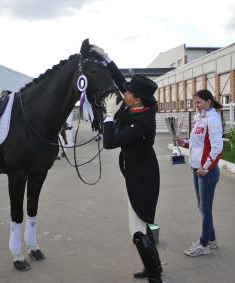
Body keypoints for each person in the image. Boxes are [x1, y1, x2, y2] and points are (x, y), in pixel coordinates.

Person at [90, 44, 165, 283]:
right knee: (144, 225)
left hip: (142, 177)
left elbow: (109, 142)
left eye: (129, 93)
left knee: (137, 229)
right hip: (141, 172)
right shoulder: (142, 106)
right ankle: (153, 267)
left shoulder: (141, 122)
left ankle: (155, 276)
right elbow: (122, 82)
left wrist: (110, 116)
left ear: (137, 98)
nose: (124, 94)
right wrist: (107, 58)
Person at [175, 89, 223, 257]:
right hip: (197, 169)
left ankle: (203, 244)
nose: (196, 106)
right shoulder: (199, 118)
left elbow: (217, 148)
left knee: (205, 208)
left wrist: (206, 167)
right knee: (202, 207)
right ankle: (211, 239)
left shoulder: (213, 119)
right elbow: (198, 144)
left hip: (206, 172)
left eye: (199, 102)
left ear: (209, 102)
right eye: (194, 103)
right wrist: (183, 143)